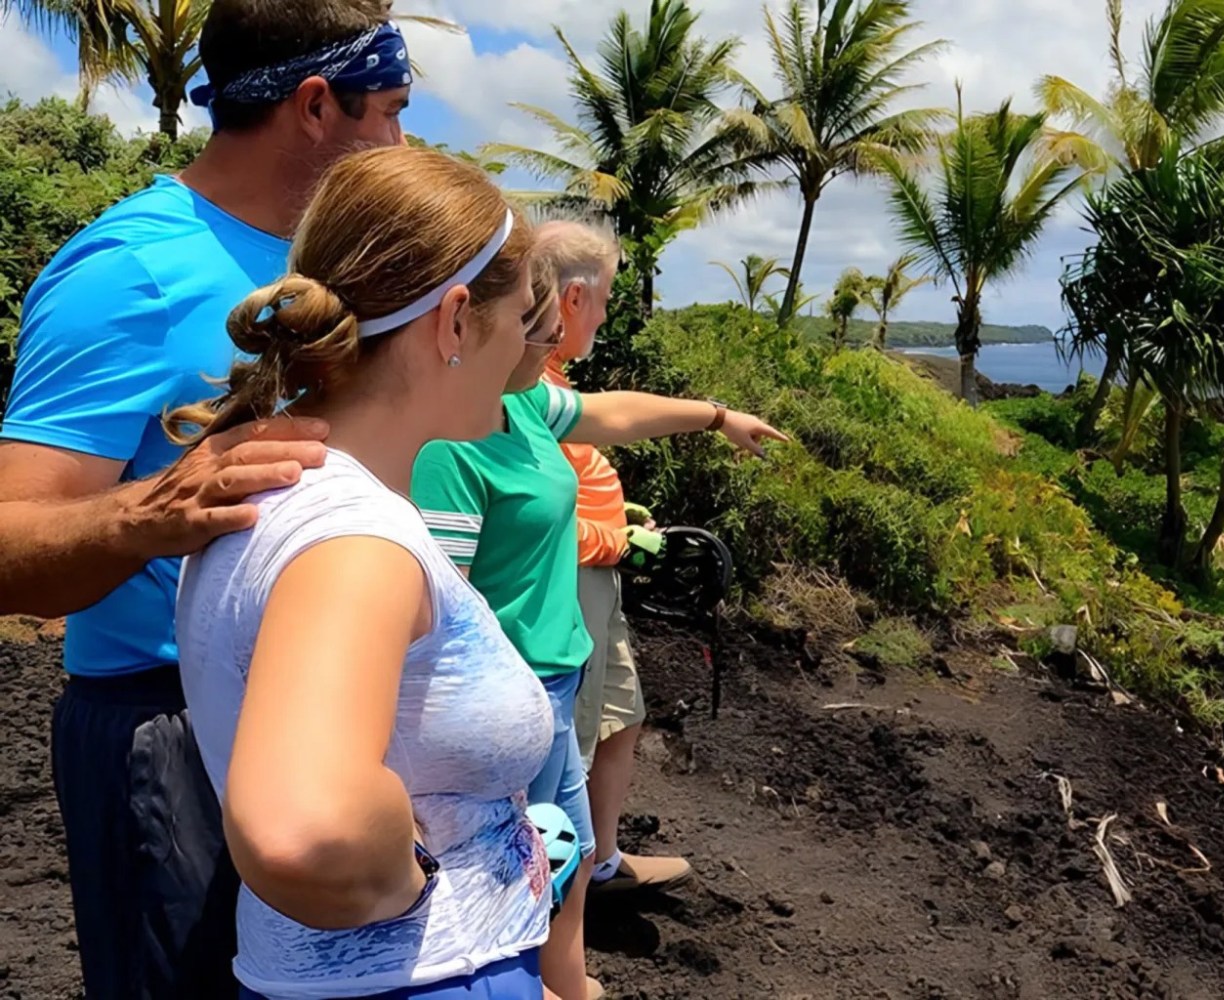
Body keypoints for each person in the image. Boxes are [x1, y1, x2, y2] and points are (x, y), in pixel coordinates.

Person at [0, 2, 413, 995]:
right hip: (173, 729)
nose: (404, 142)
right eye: (392, 111)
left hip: (340, 718)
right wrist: (146, 512)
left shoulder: (335, 265)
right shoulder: (131, 271)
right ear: (318, 105)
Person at [172, 145, 556, 1000]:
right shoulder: (356, 541)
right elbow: (307, 830)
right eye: (525, 319)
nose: (532, 357)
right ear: (455, 321)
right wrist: (417, 877)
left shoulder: (281, 487)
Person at [412, 269, 787, 1000]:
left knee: (573, 856)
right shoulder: (449, 448)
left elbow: (607, 413)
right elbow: (435, 613)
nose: (553, 337)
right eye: (537, 322)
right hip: (502, 703)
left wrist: (715, 417)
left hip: (556, 681)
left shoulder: (518, 406)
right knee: (507, 873)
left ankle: (571, 984)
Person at [530, 219, 691, 896]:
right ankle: (557, 900)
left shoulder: (549, 374)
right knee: (574, 737)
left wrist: (612, 517)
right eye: (606, 296)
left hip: (597, 581)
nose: (607, 312)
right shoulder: (524, 381)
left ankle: (599, 860)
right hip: (570, 587)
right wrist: (620, 540)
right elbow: (529, 523)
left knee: (619, 716)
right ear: (573, 299)